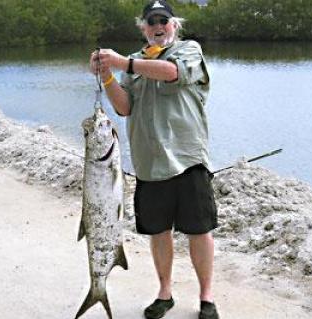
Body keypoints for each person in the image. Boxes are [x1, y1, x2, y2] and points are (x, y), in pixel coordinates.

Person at [89, 1, 219, 318]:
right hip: (149, 164)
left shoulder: (188, 50)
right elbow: (124, 108)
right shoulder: (132, 62)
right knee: (158, 231)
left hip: (188, 160)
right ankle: (165, 292)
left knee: (199, 230)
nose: (157, 26)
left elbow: (172, 73)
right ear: (143, 27)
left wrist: (121, 63)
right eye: (151, 21)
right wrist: (107, 76)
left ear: (175, 25)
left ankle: (206, 297)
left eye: (164, 20)